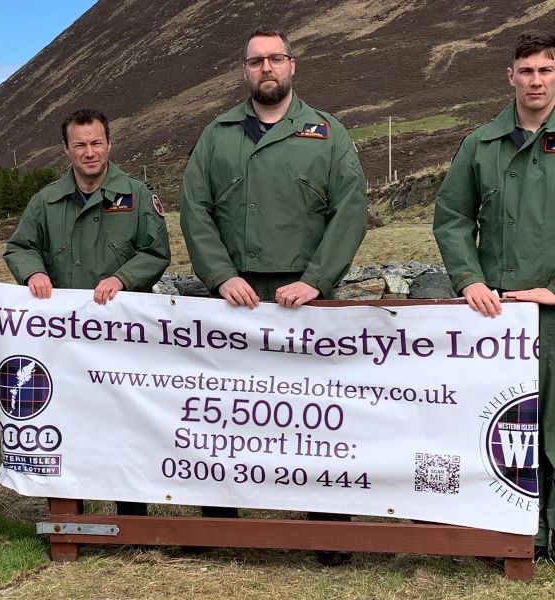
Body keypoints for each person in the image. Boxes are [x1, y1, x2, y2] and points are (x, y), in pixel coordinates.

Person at [180, 27, 368, 565]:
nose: (267, 68)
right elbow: (195, 209)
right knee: (227, 414)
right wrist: (219, 276)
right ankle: (218, 530)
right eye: (256, 60)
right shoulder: (216, 135)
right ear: (245, 70)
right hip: (235, 296)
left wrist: (317, 279)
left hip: (305, 298)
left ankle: (328, 534)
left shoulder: (328, 134)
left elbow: (350, 211)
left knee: (316, 417)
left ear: (292, 66)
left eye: (276, 59)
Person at [4, 108, 171, 516]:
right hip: (64, 344)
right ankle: (67, 515)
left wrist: (124, 278)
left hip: (122, 341)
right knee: (66, 424)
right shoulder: (45, 201)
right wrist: (34, 271)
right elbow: (19, 247)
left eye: (96, 142)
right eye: (79, 145)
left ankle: (133, 517)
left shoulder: (135, 196)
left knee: (125, 427)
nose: (89, 152)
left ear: (110, 144)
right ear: (66, 149)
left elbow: (156, 251)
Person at [434, 31, 555, 562]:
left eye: (545, 70)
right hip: (496, 318)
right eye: (526, 70)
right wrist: (469, 280)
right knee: (500, 426)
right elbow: (453, 217)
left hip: (551, 314)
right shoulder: (479, 144)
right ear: (510, 77)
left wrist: (551, 291)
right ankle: (508, 534)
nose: (535, 80)